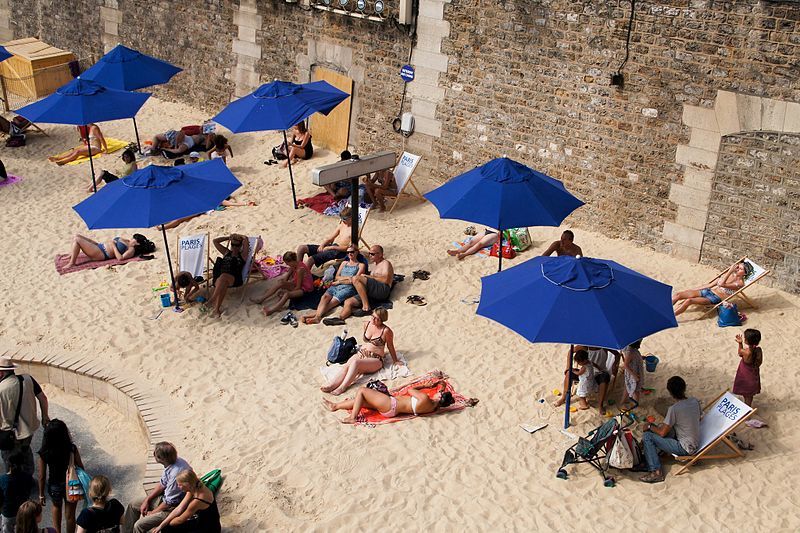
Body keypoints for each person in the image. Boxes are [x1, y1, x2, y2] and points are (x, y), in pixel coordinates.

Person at [320, 308, 400, 394]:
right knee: (346, 366)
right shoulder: (367, 324)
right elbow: (368, 342)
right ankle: (332, 385)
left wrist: (395, 360)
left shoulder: (386, 331)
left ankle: (342, 387)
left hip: (376, 359)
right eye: (372, 316)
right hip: (361, 353)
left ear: (382, 320)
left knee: (355, 363)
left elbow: (390, 346)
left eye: (377, 318)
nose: (373, 319)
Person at [639, 376, 701, 483]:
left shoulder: (674, 409)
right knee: (663, 427)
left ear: (670, 393)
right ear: (684, 388)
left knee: (648, 436)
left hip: (685, 448)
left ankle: (656, 472)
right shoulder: (694, 401)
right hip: (694, 441)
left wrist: (649, 426)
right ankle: (656, 455)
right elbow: (697, 418)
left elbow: (662, 433)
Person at [122, 442, 192, 533]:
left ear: (161, 458)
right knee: (133, 505)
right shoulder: (173, 462)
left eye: (155, 453)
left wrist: (153, 512)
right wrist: (147, 500)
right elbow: (162, 484)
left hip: (172, 508)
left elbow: (169, 502)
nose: (153, 454)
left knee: (139, 525)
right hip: (165, 499)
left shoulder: (176, 475)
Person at [323, 377, 455, 424]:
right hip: (392, 410)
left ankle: (353, 417)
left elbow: (410, 390)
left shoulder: (425, 399)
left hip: (391, 404)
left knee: (362, 391)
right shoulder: (433, 408)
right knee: (362, 401)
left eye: (440, 393)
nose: (438, 392)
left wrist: (425, 386)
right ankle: (335, 406)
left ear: (440, 397)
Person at [0, 357, 49, 477]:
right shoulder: (28, 379)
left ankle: (14, 486)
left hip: (9, 434)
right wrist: (44, 417)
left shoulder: (1, 389)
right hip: (29, 429)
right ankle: (28, 479)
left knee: (10, 461)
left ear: (1, 373)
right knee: (26, 452)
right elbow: (43, 398)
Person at [37, 420, 82, 533]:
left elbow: (41, 476)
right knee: (70, 515)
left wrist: (41, 494)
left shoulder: (44, 452)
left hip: (54, 484)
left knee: (56, 507)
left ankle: (57, 531)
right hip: (71, 484)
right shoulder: (71, 448)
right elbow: (80, 467)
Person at [301, 246, 365, 325]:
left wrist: (341, 280)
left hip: (348, 288)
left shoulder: (361, 265)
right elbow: (337, 276)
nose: (349, 254)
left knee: (331, 303)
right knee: (324, 297)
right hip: (336, 285)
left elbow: (355, 280)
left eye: (352, 252)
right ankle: (316, 316)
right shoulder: (344, 263)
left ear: (356, 252)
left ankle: (316, 317)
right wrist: (348, 278)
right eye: (348, 252)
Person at [331, 245, 393, 323]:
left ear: (380, 254)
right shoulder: (375, 265)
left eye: (373, 254)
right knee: (348, 301)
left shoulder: (385, 263)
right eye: (369, 253)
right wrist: (340, 282)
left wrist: (368, 276)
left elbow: (385, 280)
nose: (370, 256)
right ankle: (340, 318)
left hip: (382, 290)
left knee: (356, 278)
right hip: (372, 292)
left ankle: (366, 307)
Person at [554, 346, 620, 416]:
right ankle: (564, 398)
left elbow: (617, 354)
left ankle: (600, 405)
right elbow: (570, 352)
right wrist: (568, 368)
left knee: (604, 378)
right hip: (585, 373)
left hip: (599, 373)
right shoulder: (585, 346)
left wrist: (614, 365)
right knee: (568, 374)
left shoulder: (604, 346)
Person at [672, 260, 752, 316]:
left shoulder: (740, 283)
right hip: (707, 291)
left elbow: (722, 284)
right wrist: (693, 290)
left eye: (740, 269)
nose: (737, 269)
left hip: (714, 298)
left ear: (745, 273)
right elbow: (709, 285)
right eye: (738, 267)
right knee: (678, 294)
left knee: (689, 301)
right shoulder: (730, 275)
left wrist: (730, 271)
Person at [152, 469, 219, 533]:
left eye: (180, 484)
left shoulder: (197, 501)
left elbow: (180, 520)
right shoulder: (195, 487)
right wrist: (162, 525)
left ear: (187, 485)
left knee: (168, 528)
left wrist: (168, 523)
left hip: (209, 529)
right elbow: (179, 508)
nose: (178, 486)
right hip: (205, 520)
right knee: (166, 527)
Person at [251, 252, 313, 316]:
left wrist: (286, 290)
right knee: (280, 282)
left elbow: (298, 287)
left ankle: (273, 309)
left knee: (287, 294)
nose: (287, 265)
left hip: (305, 289)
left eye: (287, 263)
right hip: (298, 283)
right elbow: (288, 277)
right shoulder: (294, 265)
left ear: (291, 261)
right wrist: (283, 284)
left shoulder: (300, 269)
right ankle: (262, 298)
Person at [206, 234, 249, 318]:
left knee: (223, 277)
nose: (234, 247)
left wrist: (243, 238)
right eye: (232, 245)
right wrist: (228, 237)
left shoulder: (243, 255)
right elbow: (215, 241)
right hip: (221, 279)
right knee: (223, 281)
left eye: (236, 245)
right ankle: (216, 309)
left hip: (235, 279)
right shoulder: (226, 252)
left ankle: (212, 299)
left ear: (241, 246)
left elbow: (246, 239)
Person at [65, 234, 154, 269]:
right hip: (99, 246)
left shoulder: (131, 250)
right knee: (77, 236)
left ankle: (72, 262)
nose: (132, 239)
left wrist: (114, 246)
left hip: (101, 253)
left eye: (134, 239)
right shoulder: (127, 241)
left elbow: (120, 258)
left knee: (77, 240)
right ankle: (72, 254)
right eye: (133, 237)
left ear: (137, 244)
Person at [0, 452, 33, 533]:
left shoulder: (3, 480)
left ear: (9, 465)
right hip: (22, 511)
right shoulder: (27, 477)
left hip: (8, 512)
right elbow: (28, 492)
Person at [732, 329, 762, 407]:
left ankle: (747, 410)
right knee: (750, 394)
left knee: (746, 393)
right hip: (753, 373)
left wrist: (740, 343)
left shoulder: (746, 352)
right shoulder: (758, 350)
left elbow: (739, 353)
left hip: (745, 374)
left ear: (747, 341)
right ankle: (748, 406)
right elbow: (759, 362)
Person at [621, 339, 644, 405]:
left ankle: (623, 401)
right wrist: (634, 375)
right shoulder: (630, 352)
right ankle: (636, 404)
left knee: (628, 386)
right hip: (633, 373)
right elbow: (625, 365)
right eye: (640, 341)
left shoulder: (633, 350)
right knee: (636, 390)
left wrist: (640, 357)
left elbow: (633, 357)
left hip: (635, 371)